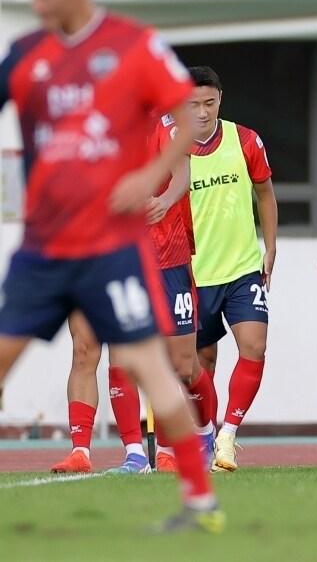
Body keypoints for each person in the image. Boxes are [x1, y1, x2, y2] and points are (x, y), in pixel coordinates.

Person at [0, 0, 223, 532]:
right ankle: (87, 447)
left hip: (111, 251)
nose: (38, 2)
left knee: (151, 367)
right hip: (44, 249)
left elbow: (184, 115)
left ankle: (200, 503)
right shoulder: (25, 54)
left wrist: (150, 174)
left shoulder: (133, 46)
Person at [49, 114, 216, 475]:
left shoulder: (165, 120)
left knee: (181, 363)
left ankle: (195, 437)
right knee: (91, 349)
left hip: (165, 258)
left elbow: (183, 171)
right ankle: (123, 454)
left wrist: (166, 200)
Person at [188, 66, 278, 473]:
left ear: (220, 99)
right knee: (200, 364)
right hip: (193, 275)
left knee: (254, 347)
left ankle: (229, 432)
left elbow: (265, 193)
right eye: (194, 104)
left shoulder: (245, 140)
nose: (203, 112)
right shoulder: (171, 148)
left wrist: (270, 246)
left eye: (209, 102)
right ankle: (205, 435)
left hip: (242, 270)